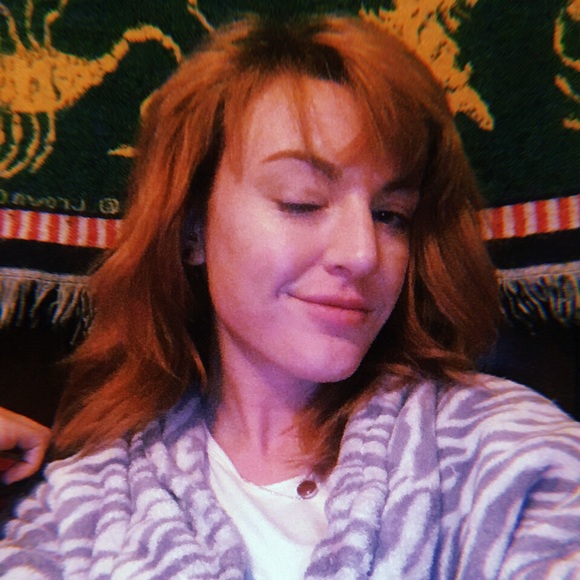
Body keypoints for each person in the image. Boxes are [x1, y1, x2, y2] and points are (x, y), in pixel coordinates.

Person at [1, 13, 579, 579]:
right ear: (192, 229)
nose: (363, 253)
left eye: (391, 215)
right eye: (302, 202)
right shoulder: (87, 504)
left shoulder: (505, 453)